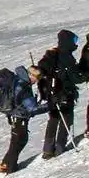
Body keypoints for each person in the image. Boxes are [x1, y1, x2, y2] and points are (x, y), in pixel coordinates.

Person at [35, 30, 81, 158]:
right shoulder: (66, 57)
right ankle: (60, 147)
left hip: (51, 95)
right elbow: (75, 78)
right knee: (67, 118)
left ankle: (47, 149)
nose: (76, 44)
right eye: (74, 41)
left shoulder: (51, 54)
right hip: (64, 94)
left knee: (53, 119)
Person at [0, 65, 43, 172]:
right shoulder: (23, 86)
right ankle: (9, 167)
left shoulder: (19, 80)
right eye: (36, 77)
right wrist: (50, 105)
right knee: (19, 140)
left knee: (18, 140)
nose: (37, 80)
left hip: (15, 115)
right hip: (19, 116)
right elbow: (32, 108)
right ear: (30, 75)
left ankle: (6, 163)